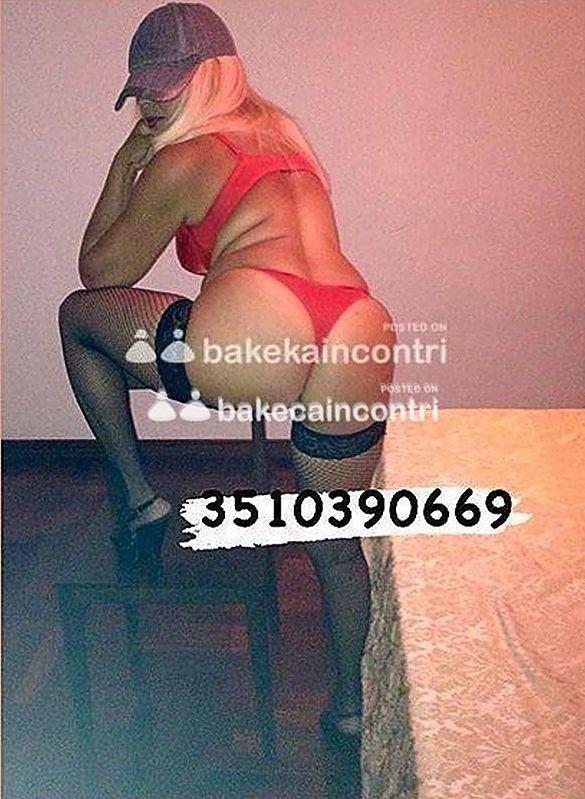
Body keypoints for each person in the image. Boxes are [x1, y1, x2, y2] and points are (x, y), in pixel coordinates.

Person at [58, 2, 395, 759]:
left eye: (169, 86)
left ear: (214, 75)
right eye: (142, 91)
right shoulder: (286, 137)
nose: (152, 103)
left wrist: (123, 165)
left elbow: (101, 271)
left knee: (78, 316)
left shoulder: (182, 158)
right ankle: (352, 708)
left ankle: (141, 500)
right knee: (336, 542)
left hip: (257, 328)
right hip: (356, 324)